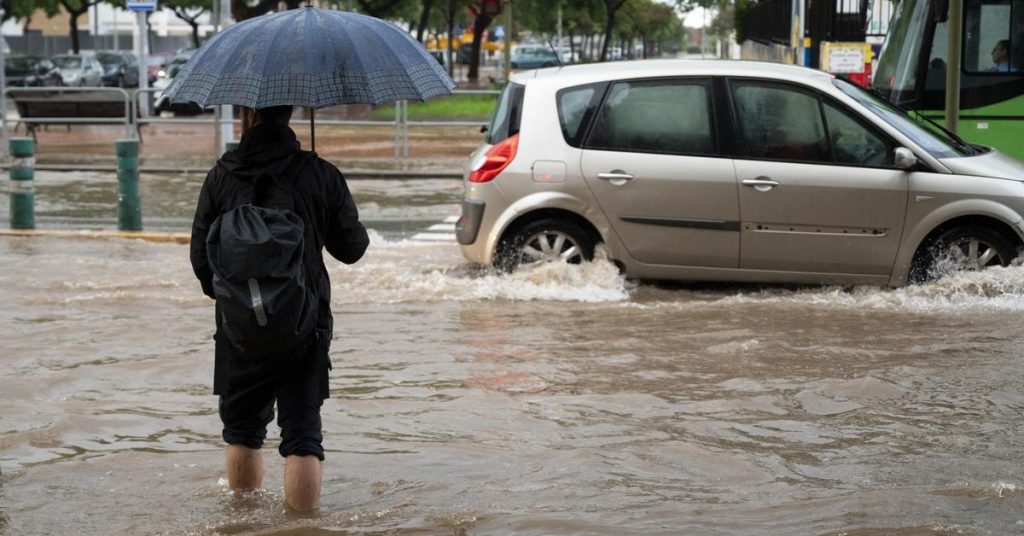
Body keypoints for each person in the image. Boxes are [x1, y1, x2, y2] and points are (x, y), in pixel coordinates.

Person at [190, 105, 369, 511]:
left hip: (238, 330)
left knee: (241, 431)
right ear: (292, 111)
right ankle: (302, 528)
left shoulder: (221, 175)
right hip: (306, 325)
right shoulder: (320, 173)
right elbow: (352, 250)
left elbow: (201, 262)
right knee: (303, 435)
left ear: (246, 112)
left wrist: (241, 303)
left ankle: (243, 520)